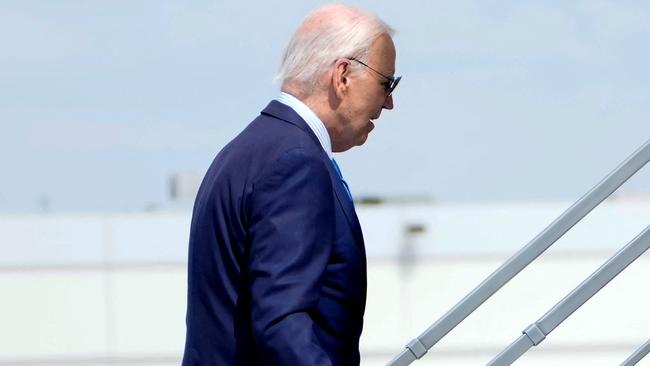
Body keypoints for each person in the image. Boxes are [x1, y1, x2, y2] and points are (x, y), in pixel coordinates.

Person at [181, 4, 399, 365]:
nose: (388, 102)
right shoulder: (297, 162)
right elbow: (283, 325)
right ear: (342, 75)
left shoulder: (246, 151)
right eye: (386, 82)